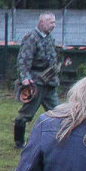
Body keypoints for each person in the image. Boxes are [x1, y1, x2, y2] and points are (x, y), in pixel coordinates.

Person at [14, 12, 60, 149]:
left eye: (54, 22)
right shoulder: (31, 38)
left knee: (58, 113)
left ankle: (58, 141)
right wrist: (25, 79)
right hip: (36, 84)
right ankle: (19, 141)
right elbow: (23, 60)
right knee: (26, 115)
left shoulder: (50, 39)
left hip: (49, 83)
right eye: (51, 22)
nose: (54, 25)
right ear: (41, 23)